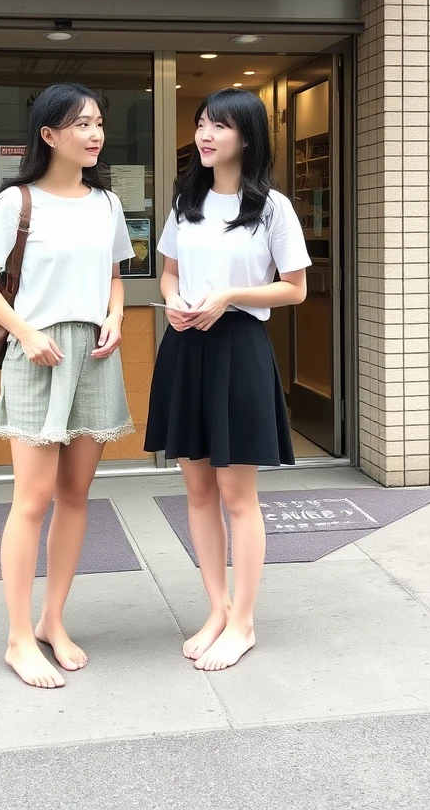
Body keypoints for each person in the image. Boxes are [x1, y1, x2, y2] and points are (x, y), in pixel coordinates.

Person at [0, 82, 135, 690]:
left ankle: (52, 620)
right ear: (48, 135)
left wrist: (116, 316)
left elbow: (115, 276)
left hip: (93, 353)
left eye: (98, 123)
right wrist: (27, 333)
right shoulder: (17, 202)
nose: (94, 134)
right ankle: (17, 638)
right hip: (36, 355)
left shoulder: (107, 204)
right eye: (81, 124)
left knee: (75, 495)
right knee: (31, 500)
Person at [144, 88, 310, 672]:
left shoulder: (272, 208)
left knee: (238, 496)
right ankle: (216, 607)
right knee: (196, 491)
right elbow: (167, 273)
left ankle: (243, 621)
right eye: (201, 124)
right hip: (186, 346)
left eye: (220, 125)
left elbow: (295, 288)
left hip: (238, 346)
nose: (205, 134)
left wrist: (231, 296)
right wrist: (172, 302)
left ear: (247, 135)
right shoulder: (185, 200)